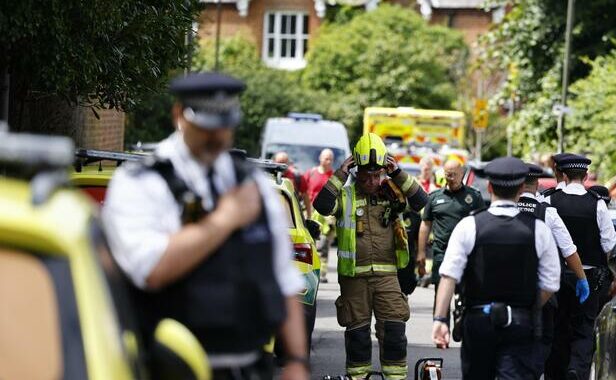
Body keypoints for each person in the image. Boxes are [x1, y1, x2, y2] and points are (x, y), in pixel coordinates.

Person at [102, 72, 309, 380]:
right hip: (166, 371)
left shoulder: (255, 186)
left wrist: (296, 361)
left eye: (225, 125)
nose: (217, 136)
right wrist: (225, 219)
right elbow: (151, 269)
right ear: (179, 116)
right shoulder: (142, 183)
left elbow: (282, 278)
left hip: (248, 367)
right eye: (207, 126)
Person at [432, 157, 560, 379]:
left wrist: (440, 320)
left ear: (489, 187)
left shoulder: (469, 225)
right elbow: (550, 283)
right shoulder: (538, 230)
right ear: (521, 189)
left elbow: (449, 275)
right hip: (521, 324)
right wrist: (526, 307)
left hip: (478, 321)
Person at [313, 133, 428, 380]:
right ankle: (358, 377)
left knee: (395, 332)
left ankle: (395, 378)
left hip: (387, 276)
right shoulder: (345, 196)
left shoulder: (392, 194)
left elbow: (420, 201)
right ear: (356, 172)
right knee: (358, 335)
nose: (373, 181)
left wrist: (397, 173)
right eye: (367, 175)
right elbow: (322, 206)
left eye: (378, 175)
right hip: (355, 278)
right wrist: (340, 173)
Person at [544, 154, 616, 380]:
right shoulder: (597, 203)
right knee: (584, 327)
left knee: (557, 325)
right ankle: (576, 369)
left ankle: (555, 373)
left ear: (564, 176)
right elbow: (609, 242)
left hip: (556, 276)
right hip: (588, 278)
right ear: (586, 176)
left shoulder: (550, 200)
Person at [517, 163, 589, 377]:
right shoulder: (547, 212)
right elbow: (569, 250)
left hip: (508, 291)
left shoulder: (505, 210)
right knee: (541, 344)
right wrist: (582, 279)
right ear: (537, 184)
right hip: (542, 294)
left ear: (518, 184)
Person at [417, 159, 484, 317]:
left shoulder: (474, 196)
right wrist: (420, 252)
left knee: (467, 294)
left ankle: (462, 325)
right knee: (440, 295)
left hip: (467, 255)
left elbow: (482, 224)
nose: (451, 178)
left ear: (462, 174)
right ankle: (441, 331)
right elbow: (425, 225)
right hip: (441, 253)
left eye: (454, 174)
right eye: (448, 175)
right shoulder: (434, 197)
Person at [304, 148, 336, 283]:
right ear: (320, 158)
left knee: (323, 245)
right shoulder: (310, 173)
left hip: (326, 216)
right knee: (308, 244)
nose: (327, 161)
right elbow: (303, 192)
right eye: (325, 158)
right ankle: (308, 271)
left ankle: (321, 274)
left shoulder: (334, 177)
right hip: (311, 213)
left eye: (330, 159)